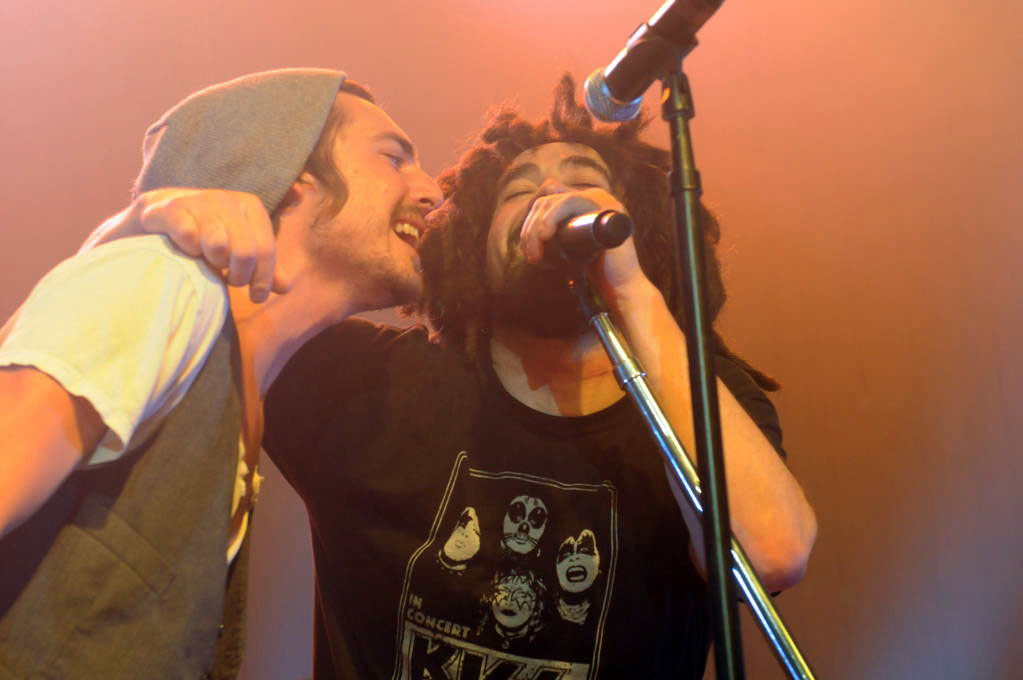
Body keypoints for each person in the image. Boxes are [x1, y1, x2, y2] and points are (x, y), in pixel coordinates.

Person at [102, 75, 817, 678]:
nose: (550, 199)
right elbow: (158, 331)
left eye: (584, 184)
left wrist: (631, 289)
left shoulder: (704, 403)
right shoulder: (362, 380)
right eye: (517, 191)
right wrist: (153, 218)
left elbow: (771, 554)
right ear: (474, 236)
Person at [0, 68, 441, 679]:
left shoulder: (239, 394)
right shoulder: (167, 284)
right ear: (294, 176)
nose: (432, 190)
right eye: (394, 158)